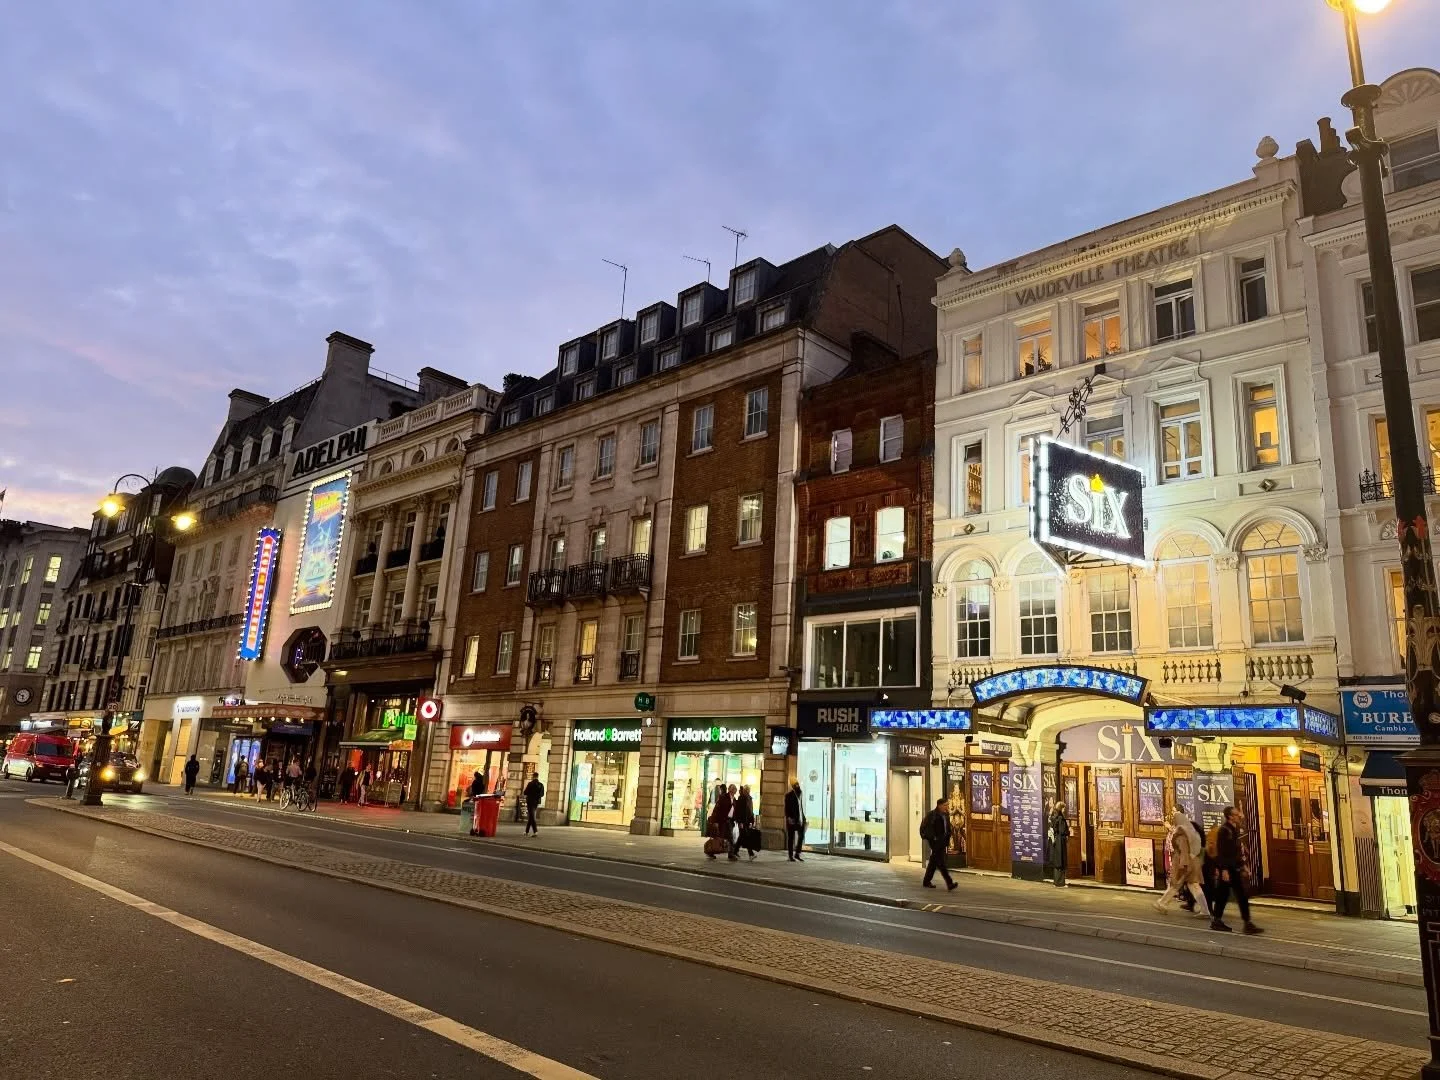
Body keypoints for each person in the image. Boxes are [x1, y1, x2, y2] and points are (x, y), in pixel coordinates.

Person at [1210, 806, 1262, 935]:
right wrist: (1224, 870)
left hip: (1234, 867)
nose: (1239, 816)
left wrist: (1243, 865)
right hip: (1228, 869)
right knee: (1224, 895)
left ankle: (1246, 923)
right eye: (1236, 814)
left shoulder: (1234, 829)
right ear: (1230, 816)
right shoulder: (1224, 831)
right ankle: (1217, 920)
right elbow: (1222, 852)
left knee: (1241, 895)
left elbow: (1235, 851)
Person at [1155, 809, 1209, 917]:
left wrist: (1183, 864)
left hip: (1185, 861)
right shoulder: (1191, 829)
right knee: (1193, 885)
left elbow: (1183, 848)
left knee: (1176, 883)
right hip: (1194, 861)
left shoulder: (1181, 832)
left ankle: (1162, 903)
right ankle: (1205, 910)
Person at [920, 797, 958, 890]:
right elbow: (925, 827)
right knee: (941, 863)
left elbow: (947, 827)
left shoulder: (945, 815)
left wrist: (948, 835)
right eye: (945, 805)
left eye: (947, 805)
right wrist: (932, 837)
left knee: (934, 862)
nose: (947, 807)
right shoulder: (932, 815)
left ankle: (926, 881)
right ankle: (949, 883)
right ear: (939, 805)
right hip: (935, 841)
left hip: (943, 841)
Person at [706, 784, 733, 860]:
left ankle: (730, 854)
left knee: (729, 838)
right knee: (719, 838)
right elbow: (717, 810)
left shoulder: (731, 798)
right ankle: (711, 852)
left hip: (726, 821)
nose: (734, 791)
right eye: (733, 790)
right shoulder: (723, 798)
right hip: (721, 821)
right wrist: (715, 821)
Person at [1047, 800, 1070, 888]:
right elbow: (1062, 830)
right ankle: (1060, 883)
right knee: (1060, 861)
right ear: (1061, 808)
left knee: (1057, 861)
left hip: (1056, 841)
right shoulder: (1060, 818)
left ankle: (1056, 881)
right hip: (1060, 841)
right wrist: (1068, 832)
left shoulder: (1054, 816)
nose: (1065, 810)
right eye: (1064, 808)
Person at [733, 784, 758, 860]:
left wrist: (752, 821)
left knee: (742, 837)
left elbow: (750, 811)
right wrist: (739, 822)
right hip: (742, 821)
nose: (748, 791)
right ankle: (751, 854)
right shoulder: (741, 798)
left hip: (747, 821)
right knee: (746, 837)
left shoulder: (749, 799)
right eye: (747, 790)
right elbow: (738, 811)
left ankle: (735, 851)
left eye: (748, 790)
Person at [784, 779, 806, 862]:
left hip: (799, 819)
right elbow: (786, 808)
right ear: (793, 786)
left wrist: (803, 817)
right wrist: (788, 817)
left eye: (798, 784)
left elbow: (800, 807)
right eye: (796, 784)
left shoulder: (800, 793)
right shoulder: (788, 795)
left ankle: (797, 854)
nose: (798, 786)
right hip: (792, 819)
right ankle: (790, 855)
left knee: (801, 835)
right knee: (791, 837)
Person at [523, 770, 545, 836]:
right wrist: (537, 796)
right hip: (536, 802)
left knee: (532, 816)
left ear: (533, 776)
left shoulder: (530, 784)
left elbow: (525, 792)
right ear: (538, 777)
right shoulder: (541, 785)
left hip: (530, 801)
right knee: (531, 816)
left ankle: (535, 831)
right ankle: (526, 831)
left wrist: (530, 794)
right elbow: (542, 794)